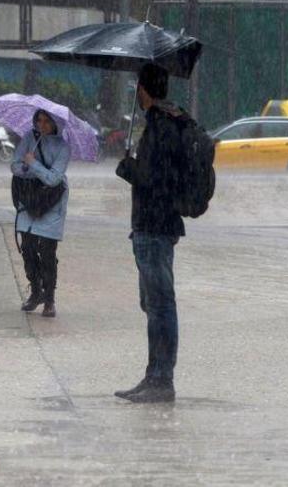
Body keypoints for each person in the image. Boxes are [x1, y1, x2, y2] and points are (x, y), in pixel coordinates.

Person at [114, 63, 185, 403]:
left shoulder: (160, 127)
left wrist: (128, 167)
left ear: (143, 90)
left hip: (154, 226)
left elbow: (154, 180)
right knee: (155, 304)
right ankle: (154, 374)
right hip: (160, 225)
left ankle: (161, 379)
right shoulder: (171, 121)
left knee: (160, 305)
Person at [10, 109, 70, 318]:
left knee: (47, 251)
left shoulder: (63, 147)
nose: (42, 125)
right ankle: (35, 290)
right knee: (27, 247)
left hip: (51, 202)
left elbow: (54, 179)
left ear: (55, 124)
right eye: (39, 121)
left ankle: (49, 298)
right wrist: (28, 169)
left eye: (46, 121)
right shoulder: (29, 138)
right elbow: (15, 166)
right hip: (29, 199)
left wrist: (33, 164)